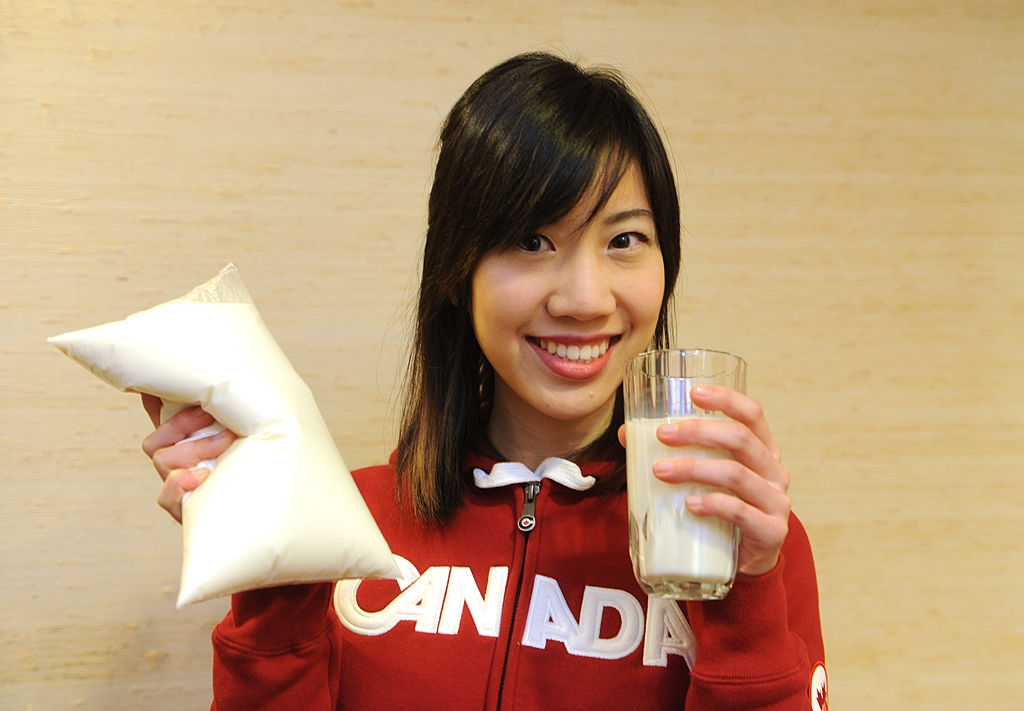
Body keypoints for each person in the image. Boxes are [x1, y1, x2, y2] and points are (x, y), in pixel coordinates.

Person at [142, 51, 826, 710]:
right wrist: (272, 569)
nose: (585, 298)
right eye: (532, 240)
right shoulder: (344, 525)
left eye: (624, 240)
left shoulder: (743, 541)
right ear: (456, 268)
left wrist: (747, 600)